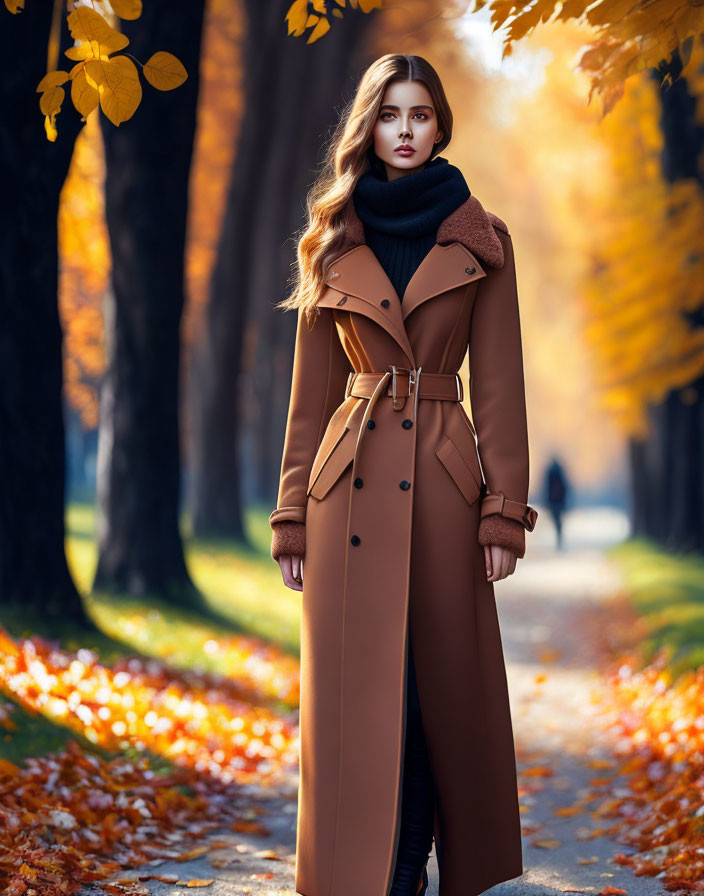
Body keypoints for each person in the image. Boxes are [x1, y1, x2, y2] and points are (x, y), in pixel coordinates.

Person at [269, 53, 538, 896]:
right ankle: (378, 877)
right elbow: (308, 396)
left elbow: (499, 385)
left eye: (421, 115)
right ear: (369, 127)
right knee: (359, 698)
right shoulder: (331, 235)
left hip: (443, 488)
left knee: (434, 698)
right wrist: (289, 516)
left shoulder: (481, 237)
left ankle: (422, 867)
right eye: (391, 115)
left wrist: (504, 511)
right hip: (345, 482)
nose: (407, 131)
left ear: (440, 125)